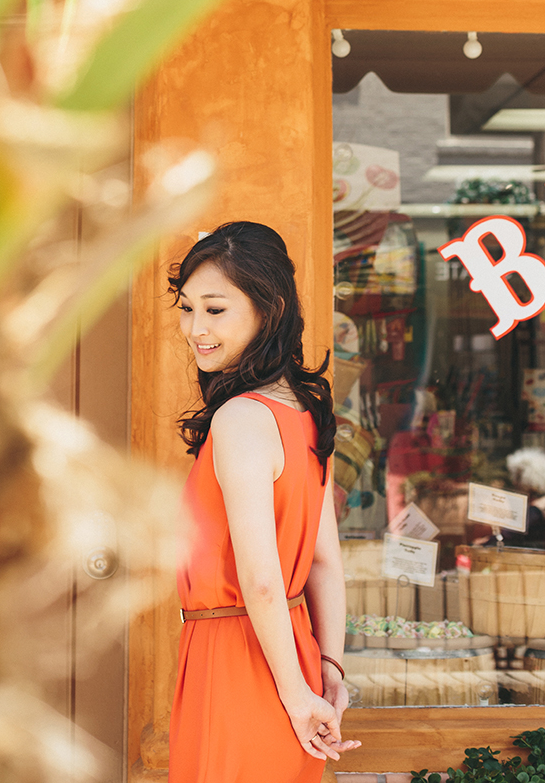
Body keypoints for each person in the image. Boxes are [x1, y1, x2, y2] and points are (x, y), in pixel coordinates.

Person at [169, 221, 360, 780]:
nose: (194, 329)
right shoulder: (304, 409)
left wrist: (300, 696)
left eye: (215, 309)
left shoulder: (241, 419)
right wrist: (326, 669)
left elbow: (260, 579)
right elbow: (325, 561)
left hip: (238, 655)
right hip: (294, 652)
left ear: (268, 309)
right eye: (187, 308)